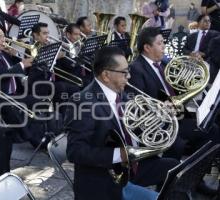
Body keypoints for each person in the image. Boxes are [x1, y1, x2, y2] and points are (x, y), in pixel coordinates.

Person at [65, 46, 179, 200]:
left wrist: (160, 116)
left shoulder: (122, 94)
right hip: (106, 179)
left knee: (176, 169)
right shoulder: (82, 102)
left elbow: (137, 128)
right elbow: (75, 152)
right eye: (124, 72)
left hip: (132, 168)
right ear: (106, 75)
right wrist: (121, 154)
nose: (129, 76)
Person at [128, 26, 220, 160]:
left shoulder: (162, 63)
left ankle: (196, 169)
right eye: (160, 43)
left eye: (163, 42)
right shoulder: (137, 69)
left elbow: (178, 89)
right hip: (163, 123)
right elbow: (139, 103)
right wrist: (164, 106)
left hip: (179, 115)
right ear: (147, 47)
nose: (164, 47)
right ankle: (190, 172)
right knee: (210, 133)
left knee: (212, 127)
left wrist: (192, 72)